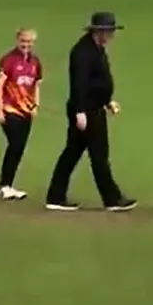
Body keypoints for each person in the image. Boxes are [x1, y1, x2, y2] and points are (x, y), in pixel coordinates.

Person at [45, 12, 136, 212]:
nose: (112, 35)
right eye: (109, 31)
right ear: (98, 31)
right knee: (98, 155)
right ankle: (112, 199)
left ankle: (55, 196)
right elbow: (79, 84)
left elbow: (98, 80)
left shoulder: (97, 49)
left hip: (94, 108)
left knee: (72, 153)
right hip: (87, 111)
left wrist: (108, 101)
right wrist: (80, 111)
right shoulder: (82, 52)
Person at [0, 28, 42, 200]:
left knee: (19, 148)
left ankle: (8, 185)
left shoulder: (35, 62)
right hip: (10, 110)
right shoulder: (8, 60)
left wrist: (35, 104)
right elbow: (0, 85)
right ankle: (5, 185)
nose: (26, 45)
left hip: (25, 111)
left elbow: (36, 84)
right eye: (23, 41)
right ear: (17, 40)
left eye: (29, 42)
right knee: (15, 145)